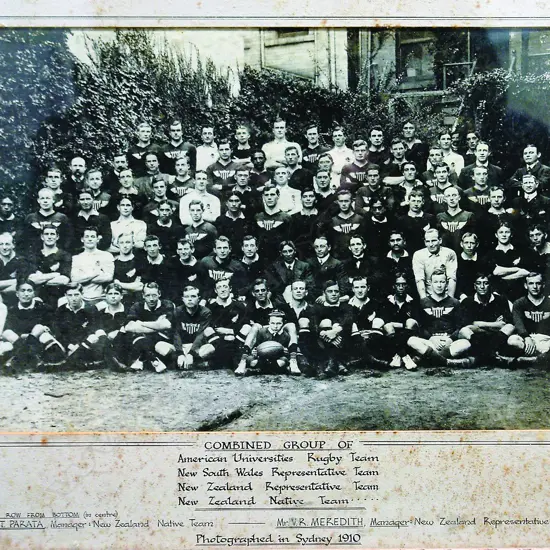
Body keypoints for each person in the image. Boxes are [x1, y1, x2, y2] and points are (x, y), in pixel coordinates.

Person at [406, 268, 473, 368]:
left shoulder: (454, 302)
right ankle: (446, 362)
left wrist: (450, 339)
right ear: (430, 283)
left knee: (466, 343)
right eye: (436, 282)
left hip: (448, 342)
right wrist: (431, 338)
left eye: (442, 282)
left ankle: (429, 358)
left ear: (446, 283)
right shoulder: (423, 303)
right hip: (430, 342)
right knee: (411, 340)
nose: (439, 285)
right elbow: (420, 327)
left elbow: (459, 326)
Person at [3, 279, 65, 369]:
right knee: (8, 333)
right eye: (23, 290)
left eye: (29, 291)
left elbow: (51, 328)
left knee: (39, 328)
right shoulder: (12, 310)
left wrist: (36, 332)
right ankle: (32, 357)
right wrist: (30, 335)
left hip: (40, 342)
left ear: (34, 293)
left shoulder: (44, 307)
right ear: (17, 294)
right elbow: (10, 330)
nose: (26, 294)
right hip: (19, 341)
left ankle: (21, 357)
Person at [456, 271, 515, 363]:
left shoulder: (501, 300)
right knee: (464, 331)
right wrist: (495, 324)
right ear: (475, 286)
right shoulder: (467, 302)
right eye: (479, 283)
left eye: (485, 283)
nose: (482, 287)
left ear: (490, 285)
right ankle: (490, 354)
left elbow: (506, 323)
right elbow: (466, 325)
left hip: (496, 336)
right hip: (476, 337)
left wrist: (478, 324)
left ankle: (484, 355)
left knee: (510, 327)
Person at [122, 282, 175, 372]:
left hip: (161, 340)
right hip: (144, 339)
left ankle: (143, 359)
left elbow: (167, 325)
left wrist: (141, 323)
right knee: (140, 340)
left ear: (159, 294)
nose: (151, 299)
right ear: (143, 295)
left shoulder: (167, 304)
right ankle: (154, 360)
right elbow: (129, 327)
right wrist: (157, 326)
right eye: (148, 295)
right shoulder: (137, 306)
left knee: (159, 347)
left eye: (154, 295)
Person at [200, 278, 249, 369]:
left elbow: (245, 324)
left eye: (225, 287)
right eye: (219, 287)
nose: (222, 290)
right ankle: (230, 359)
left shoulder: (239, 306)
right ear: (215, 290)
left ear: (230, 288)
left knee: (246, 328)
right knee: (208, 330)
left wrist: (230, 331)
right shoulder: (211, 307)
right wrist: (224, 336)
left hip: (235, 339)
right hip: (218, 340)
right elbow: (210, 327)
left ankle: (221, 360)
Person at [235, 309, 301, 376]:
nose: (275, 326)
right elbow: (256, 347)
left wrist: (285, 351)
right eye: (273, 323)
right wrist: (254, 352)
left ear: (283, 323)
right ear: (269, 322)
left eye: (279, 323)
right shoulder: (262, 332)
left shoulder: (285, 335)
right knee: (253, 362)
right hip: (261, 358)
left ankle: (265, 369)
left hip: (277, 358)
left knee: (282, 362)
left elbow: (285, 352)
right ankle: (243, 361)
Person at [310, 280, 353, 378]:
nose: (334, 294)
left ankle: (332, 361)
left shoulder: (346, 307)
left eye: (336, 291)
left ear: (340, 293)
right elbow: (313, 324)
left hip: (342, 343)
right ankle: (336, 362)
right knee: (326, 322)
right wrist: (323, 333)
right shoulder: (317, 308)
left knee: (338, 325)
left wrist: (334, 331)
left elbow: (348, 322)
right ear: (324, 293)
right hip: (322, 342)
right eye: (330, 291)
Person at [379, 272, 421, 370]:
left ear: (407, 286)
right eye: (398, 285)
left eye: (403, 284)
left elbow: (416, 321)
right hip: (392, 335)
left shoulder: (413, 302)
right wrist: (401, 324)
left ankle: (398, 355)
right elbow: (385, 320)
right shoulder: (387, 302)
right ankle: (405, 356)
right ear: (394, 286)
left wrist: (399, 324)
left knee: (410, 322)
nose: (401, 287)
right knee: (388, 326)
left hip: (409, 335)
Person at [508, 271, 550, 362]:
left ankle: (531, 359)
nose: (535, 287)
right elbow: (518, 323)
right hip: (527, 339)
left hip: (547, 339)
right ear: (526, 285)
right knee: (512, 340)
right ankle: (542, 357)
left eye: (538, 283)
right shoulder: (519, 303)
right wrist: (526, 337)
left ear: (543, 285)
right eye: (531, 283)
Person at [27, 225, 71, 308]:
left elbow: (64, 280)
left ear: (57, 237)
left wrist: (41, 278)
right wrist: (55, 274)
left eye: (52, 234)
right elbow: (32, 279)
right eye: (46, 234)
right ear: (42, 237)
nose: (49, 237)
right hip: (38, 295)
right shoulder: (35, 255)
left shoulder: (64, 255)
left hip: (58, 295)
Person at [70, 227, 115, 305]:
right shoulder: (76, 258)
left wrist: (84, 277)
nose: (90, 239)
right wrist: (96, 273)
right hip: (81, 297)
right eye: (87, 237)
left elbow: (109, 277)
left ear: (98, 239)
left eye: (93, 237)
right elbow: (75, 279)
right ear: (82, 239)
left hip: (101, 297)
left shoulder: (106, 255)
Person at [172, 284, 212, 370]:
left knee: (211, 348)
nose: (190, 299)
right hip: (182, 346)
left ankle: (189, 361)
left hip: (198, 347)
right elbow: (176, 333)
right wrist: (180, 353)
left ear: (198, 298)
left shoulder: (205, 312)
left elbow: (201, 334)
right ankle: (194, 362)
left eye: (193, 296)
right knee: (161, 347)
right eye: (187, 297)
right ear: (183, 299)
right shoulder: (177, 311)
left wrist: (191, 353)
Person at [24, 187, 73, 253]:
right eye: (42, 198)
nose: (45, 201)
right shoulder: (30, 218)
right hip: (34, 253)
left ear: (53, 200)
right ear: (38, 200)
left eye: (48, 198)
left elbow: (68, 238)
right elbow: (25, 238)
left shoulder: (62, 218)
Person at [412, 228, 457, 299]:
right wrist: (424, 300)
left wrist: (450, 300)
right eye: (428, 241)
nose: (431, 244)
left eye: (433, 241)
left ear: (440, 240)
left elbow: (452, 278)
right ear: (425, 242)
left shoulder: (449, 253)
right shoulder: (418, 255)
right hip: (427, 295)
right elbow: (419, 279)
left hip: (445, 295)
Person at [254, 184, 292, 264]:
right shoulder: (257, 217)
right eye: (266, 195)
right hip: (261, 259)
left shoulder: (286, 218)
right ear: (263, 197)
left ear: (278, 196)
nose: (269, 198)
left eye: (272, 194)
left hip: (280, 260)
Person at [436, 186, 475, 253]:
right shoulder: (440, 216)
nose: (451, 198)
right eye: (448, 196)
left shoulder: (469, 215)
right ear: (444, 199)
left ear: (459, 197)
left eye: (454, 195)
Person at [396, 186, 436, 253]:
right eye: (413, 201)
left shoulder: (430, 218)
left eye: (418, 201)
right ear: (408, 201)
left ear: (423, 202)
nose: (416, 204)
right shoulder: (401, 220)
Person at [327, 190, 364, 259]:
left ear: (351, 201)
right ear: (337, 202)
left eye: (346, 201)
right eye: (341, 201)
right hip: (338, 258)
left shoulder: (360, 219)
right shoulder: (332, 221)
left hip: (356, 257)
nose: (343, 204)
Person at [0, 232, 32, 304]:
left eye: (7, 244)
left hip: (17, 298)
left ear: (13, 245)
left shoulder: (22, 260)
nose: (4, 247)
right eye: (1, 244)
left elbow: (23, 283)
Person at [112, 233, 144, 305]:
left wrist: (119, 284)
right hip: (117, 300)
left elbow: (139, 286)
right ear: (118, 244)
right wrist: (130, 287)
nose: (125, 245)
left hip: (136, 300)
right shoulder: (114, 263)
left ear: (133, 244)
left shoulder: (140, 261)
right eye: (122, 243)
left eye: (128, 242)